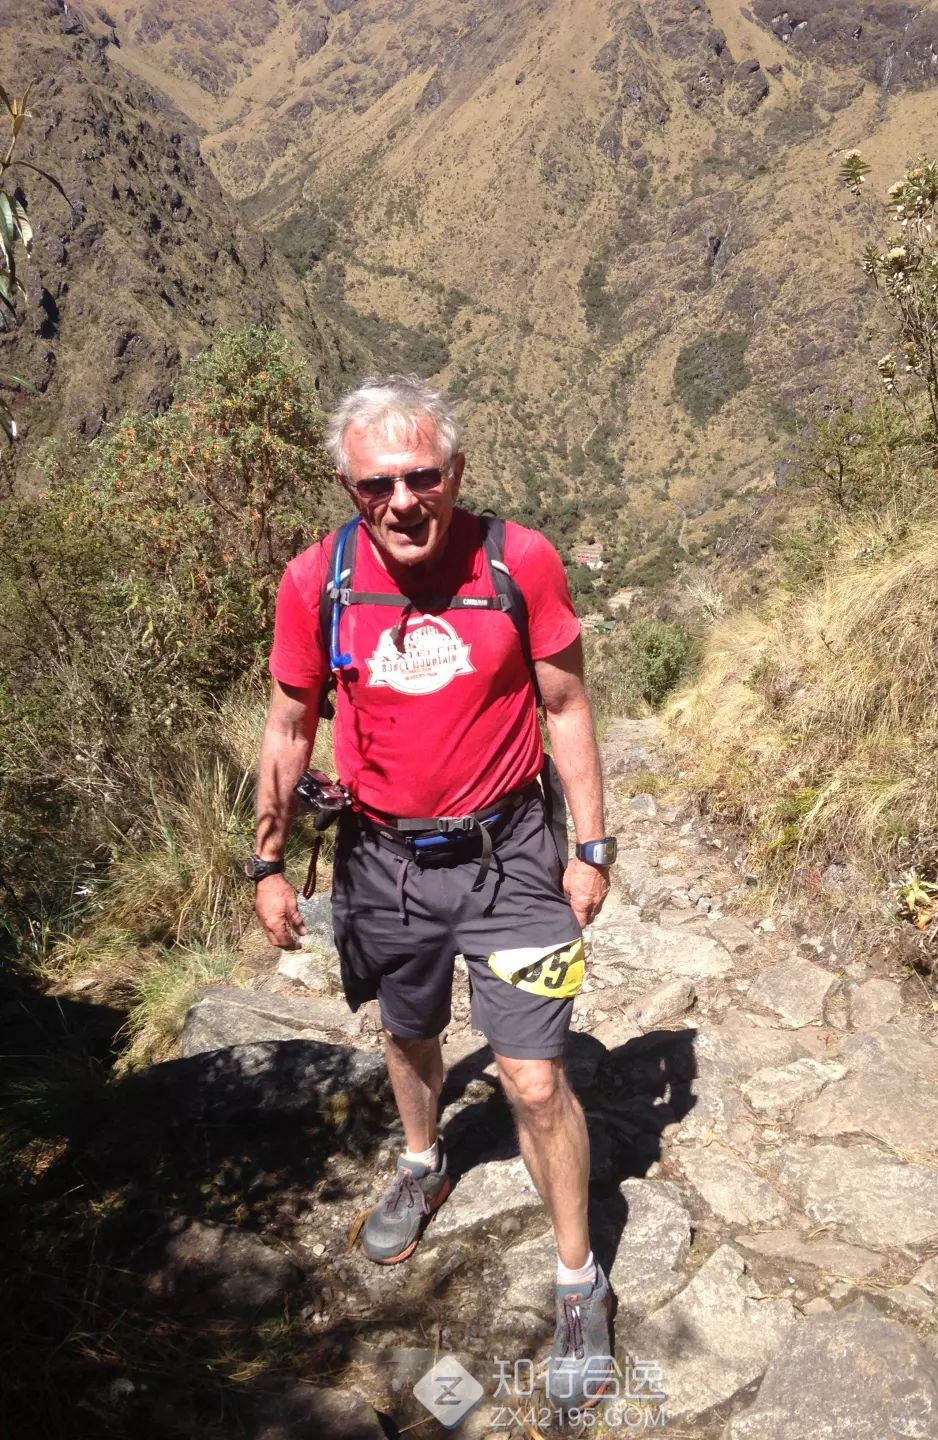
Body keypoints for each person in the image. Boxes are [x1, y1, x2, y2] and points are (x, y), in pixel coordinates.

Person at [248, 374, 619, 1410]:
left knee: (534, 1081)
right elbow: (289, 726)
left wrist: (592, 848)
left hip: (513, 856)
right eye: (378, 484)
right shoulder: (316, 580)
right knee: (408, 1033)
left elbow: (567, 706)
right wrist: (267, 862)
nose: (403, 501)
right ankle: (422, 1161)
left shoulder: (520, 561)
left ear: (457, 471)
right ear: (348, 487)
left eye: (422, 476)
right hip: (382, 863)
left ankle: (578, 1281)